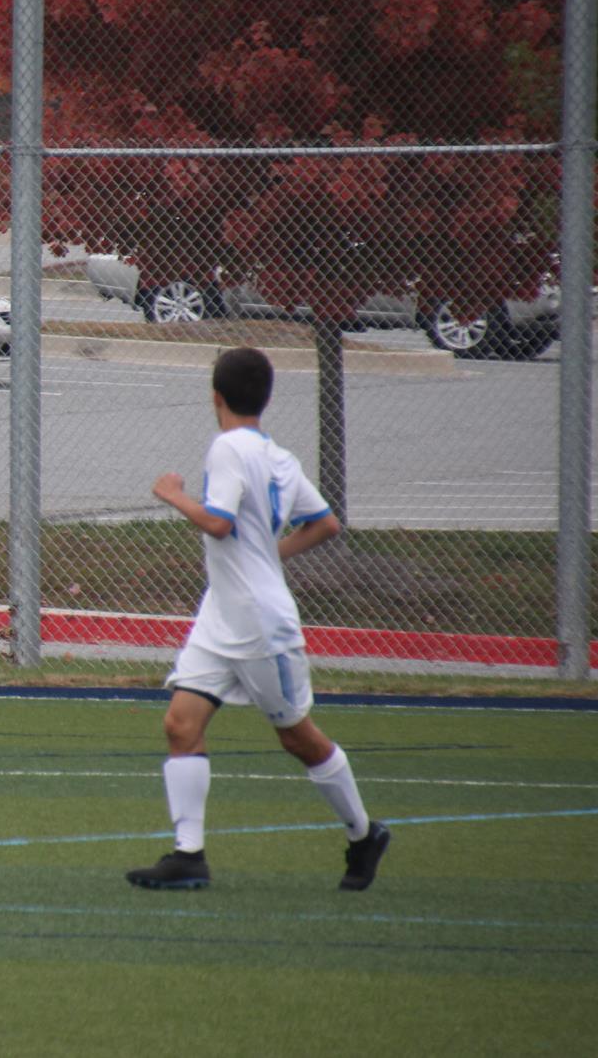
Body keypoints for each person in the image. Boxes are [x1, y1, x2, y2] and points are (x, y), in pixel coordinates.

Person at [127, 346, 390, 893]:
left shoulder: (228, 448)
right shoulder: (278, 457)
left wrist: (173, 496)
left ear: (215, 397)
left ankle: (364, 834)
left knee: (298, 738)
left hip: (260, 624)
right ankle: (188, 855)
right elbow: (324, 525)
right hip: (221, 616)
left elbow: (219, 523)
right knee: (181, 724)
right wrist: (269, 554)